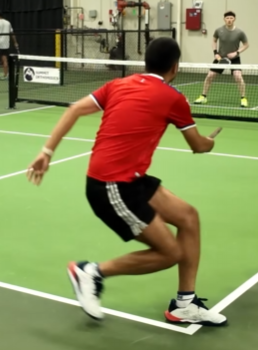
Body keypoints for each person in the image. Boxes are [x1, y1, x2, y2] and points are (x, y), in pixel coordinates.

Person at [25, 37, 227, 327]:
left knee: (188, 217)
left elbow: (73, 109)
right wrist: (208, 142)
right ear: (175, 67)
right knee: (170, 252)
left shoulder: (118, 85)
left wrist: (46, 152)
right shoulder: (174, 98)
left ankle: (185, 305)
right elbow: (197, 146)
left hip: (131, 179)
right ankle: (91, 272)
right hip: (111, 187)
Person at [193, 11, 249, 108]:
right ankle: (203, 97)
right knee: (210, 76)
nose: (229, 20)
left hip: (234, 59)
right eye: (227, 18)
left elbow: (246, 45)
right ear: (224, 19)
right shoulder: (219, 30)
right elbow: (214, 40)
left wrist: (237, 53)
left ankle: (243, 98)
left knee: (238, 77)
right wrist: (215, 53)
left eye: (231, 18)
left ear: (234, 19)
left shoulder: (240, 32)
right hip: (221, 58)